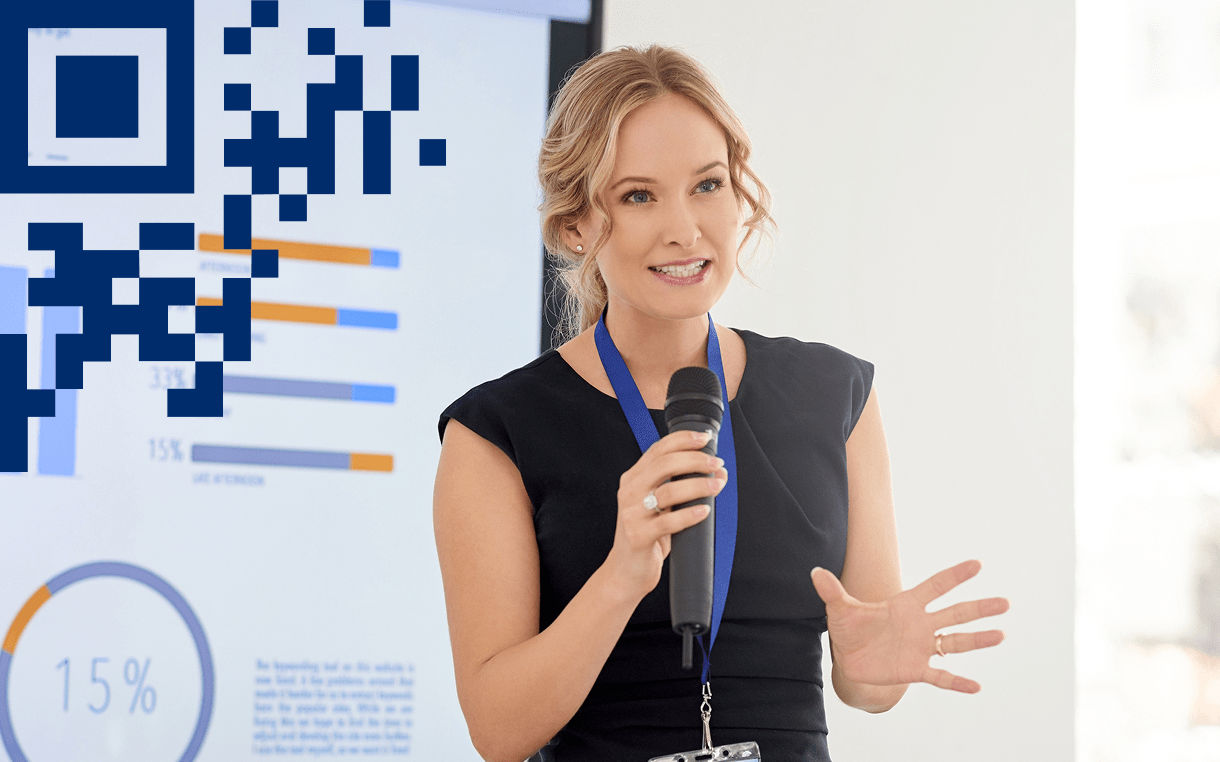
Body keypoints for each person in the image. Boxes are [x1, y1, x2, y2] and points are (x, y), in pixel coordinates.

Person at [433, 44, 1011, 762]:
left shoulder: (836, 397)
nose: (685, 228)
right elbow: (498, 731)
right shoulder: (496, 434)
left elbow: (866, 683)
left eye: (707, 185)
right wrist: (621, 575)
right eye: (639, 195)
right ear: (577, 224)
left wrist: (867, 673)